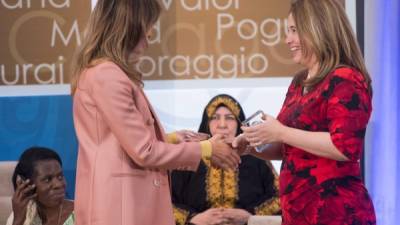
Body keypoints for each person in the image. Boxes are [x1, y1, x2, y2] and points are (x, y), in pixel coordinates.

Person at [70, 1, 240, 225]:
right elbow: (144, 150)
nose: (150, 35)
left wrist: (169, 139)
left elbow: (119, 141)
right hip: (121, 207)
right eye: (147, 25)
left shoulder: (107, 73)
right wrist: (207, 148)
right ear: (128, 27)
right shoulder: (108, 75)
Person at [233, 0, 376, 224]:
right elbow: (288, 149)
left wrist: (281, 133)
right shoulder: (299, 81)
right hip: (297, 212)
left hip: (335, 212)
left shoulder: (345, 78)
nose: (287, 40)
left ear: (317, 28)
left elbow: (344, 146)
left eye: (293, 31)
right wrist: (253, 146)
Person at [172, 94, 280, 225]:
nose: (222, 125)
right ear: (206, 124)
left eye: (229, 118)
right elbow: (165, 200)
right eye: (214, 118)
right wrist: (192, 218)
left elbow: (280, 197)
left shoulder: (257, 157)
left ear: (239, 124)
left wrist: (251, 215)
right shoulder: (190, 157)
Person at [6, 147, 74, 225]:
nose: (58, 184)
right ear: (27, 185)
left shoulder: (83, 214)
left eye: (60, 177)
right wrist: (18, 220)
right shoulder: (23, 215)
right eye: (47, 179)